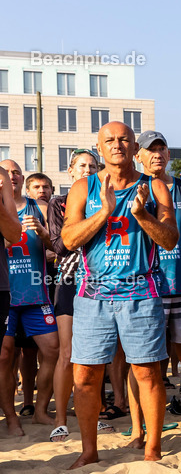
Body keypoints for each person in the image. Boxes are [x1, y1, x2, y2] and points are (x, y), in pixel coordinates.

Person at [62, 122, 179, 468]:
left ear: (134, 148)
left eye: (124, 139)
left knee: (147, 373)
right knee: (85, 375)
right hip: (93, 294)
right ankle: (89, 450)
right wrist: (104, 211)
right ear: (99, 149)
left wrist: (141, 214)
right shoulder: (84, 188)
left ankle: (153, 448)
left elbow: (170, 239)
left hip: (141, 292)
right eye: (109, 141)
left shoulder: (154, 186)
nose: (117, 145)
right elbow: (69, 240)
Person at [134, 131, 181, 440]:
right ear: (138, 155)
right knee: (146, 362)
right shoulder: (133, 189)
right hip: (148, 286)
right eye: (151, 149)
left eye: (162, 148)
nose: (157, 154)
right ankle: (140, 429)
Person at [0, 160, 59, 434]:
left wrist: (44, 234)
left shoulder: (40, 207)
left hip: (36, 293)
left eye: (15, 172)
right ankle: (11, 417)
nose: (10, 177)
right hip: (7, 295)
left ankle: (40, 411)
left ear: (22, 178)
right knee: (5, 357)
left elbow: (57, 246)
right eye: (5, 172)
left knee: (52, 350)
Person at [45, 150, 98, 442]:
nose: (87, 170)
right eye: (82, 166)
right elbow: (61, 245)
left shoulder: (107, 198)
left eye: (92, 166)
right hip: (69, 280)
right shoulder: (58, 202)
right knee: (67, 353)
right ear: (71, 171)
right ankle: (61, 419)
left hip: (100, 281)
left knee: (94, 356)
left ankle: (93, 414)